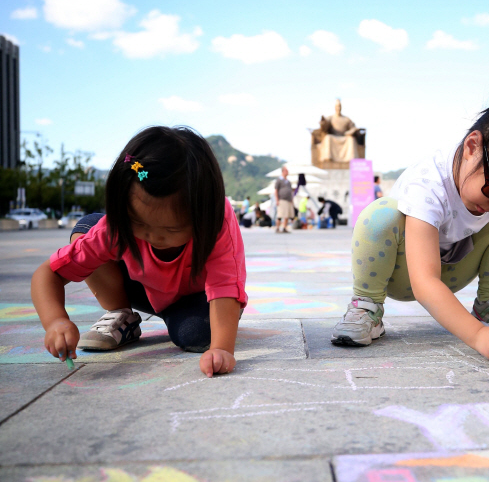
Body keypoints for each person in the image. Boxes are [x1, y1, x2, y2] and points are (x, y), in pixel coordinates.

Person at [331, 75, 489, 367]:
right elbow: (424, 282)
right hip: (403, 273)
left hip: (454, 269)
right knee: (379, 216)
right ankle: (366, 307)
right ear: (472, 147)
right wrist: (479, 336)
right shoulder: (428, 185)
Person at [30, 127, 247, 377]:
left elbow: (224, 285)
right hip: (146, 287)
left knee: (197, 335)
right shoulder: (119, 226)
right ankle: (123, 316)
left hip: (195, 295)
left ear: (202, 213)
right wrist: (56, 320)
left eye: (171, 228)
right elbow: (47, 274)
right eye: (140, 224)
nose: (154, 237)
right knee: (88, 228)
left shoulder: (216, 220)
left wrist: (222, 349)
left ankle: (215, 314)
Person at [274, 166, 293, 233]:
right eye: (286, 171)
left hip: (288, 200)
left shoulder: (288, 182)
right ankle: (277, 228)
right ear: (283, 171)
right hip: (281, 199)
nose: (287, 172)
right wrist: (277, 200)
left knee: (287, 215)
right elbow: (276, 190)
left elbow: (291, 191)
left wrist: (291, 200)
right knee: (280, 215)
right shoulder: (279, 180)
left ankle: (284, 227)